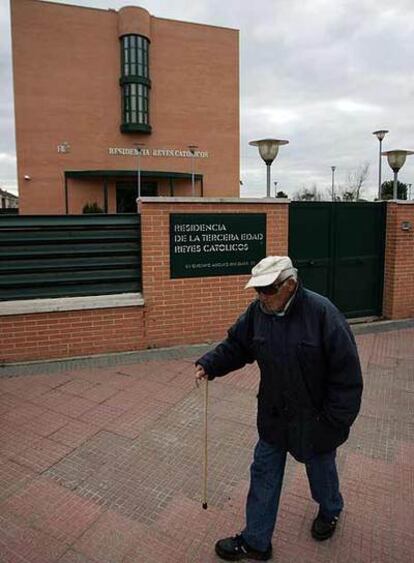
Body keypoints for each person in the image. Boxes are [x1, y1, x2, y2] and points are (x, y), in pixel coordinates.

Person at [195, 255, 363, 562]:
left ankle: (330, 511)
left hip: (316, 419)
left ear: (290, 284)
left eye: (268, 289)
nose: (261, 296)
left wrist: (333, 423)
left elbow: (347, 378)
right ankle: (256, 541)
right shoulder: (257, 312)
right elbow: (237, 345)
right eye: (257, 290)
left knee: (321, 470)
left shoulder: (323, 314)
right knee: (263, 473)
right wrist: (210, 364)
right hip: (273, 414)